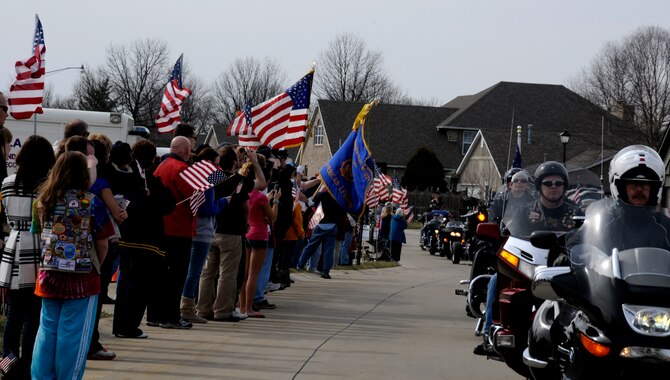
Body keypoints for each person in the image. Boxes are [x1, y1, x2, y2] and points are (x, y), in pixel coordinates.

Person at [474, 161, 582, 356]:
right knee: (496, 282)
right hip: (530, 263)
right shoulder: (524, 211)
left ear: (565, 186)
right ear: (540, 186)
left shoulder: (576, 212)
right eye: (548, 183)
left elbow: (590, 237)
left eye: (558, 184)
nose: (553, 188)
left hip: (564, 267)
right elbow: (508, 233)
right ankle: (488, 333)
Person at [30, 151, 114, 380]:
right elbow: (103, 243)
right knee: (74, 334)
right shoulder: (91, 202)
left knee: (47, 330)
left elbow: (38, 236)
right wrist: (97, 265)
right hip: (82, 278)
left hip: (48, 274)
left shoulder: (42, 202)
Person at [0, 135, 55, 378]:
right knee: (34, 316)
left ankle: (7, 366)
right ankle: (28, 366)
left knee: (13, 313)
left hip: (13, 246)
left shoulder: (7, 182)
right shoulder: (48, 186)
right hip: (39, 248)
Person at [112, 140, 175, 338]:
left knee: (125, 285)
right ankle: (129, 326)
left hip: (126, 236)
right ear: (150, 158)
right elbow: (168, 203)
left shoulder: (124, 175)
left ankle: (120, 326)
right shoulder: (145, 178)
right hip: (146, 241)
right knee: (139, 287)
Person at [565, 145, 670, 255]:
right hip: (608, 273)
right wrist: (570, 255)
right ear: (620, 187)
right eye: (633, 184)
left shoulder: (665, 227)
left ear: (654, 189)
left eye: (645, 184)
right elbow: (576, 242)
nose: (639, 189)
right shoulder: (604, 221)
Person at [196, 146, 260, 322]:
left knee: (208, 273)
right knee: (227, 273)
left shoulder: (214, 177)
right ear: (234, 163)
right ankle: (222, 310)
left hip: (212, 229)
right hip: (232, 232)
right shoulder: (238, 180)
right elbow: (261, 183)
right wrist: (253, 161)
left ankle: (203, 308)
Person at [180, 147, 229, 324]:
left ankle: (186, 305)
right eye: (216, 163)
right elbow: (205, 209)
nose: (218, 168)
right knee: (195, 271)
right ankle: (187, 307)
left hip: (194, 230)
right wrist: (223, 202)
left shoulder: (194, 178)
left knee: (192, 271)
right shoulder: (205, 183)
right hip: (201, 231)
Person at [152, 136, 196, 329]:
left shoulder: (161, 166)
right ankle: (171, 316)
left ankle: (157, 314)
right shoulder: (181, 169)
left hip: (162, 227)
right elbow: (194, 195)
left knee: (161, 275)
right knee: (177, 276)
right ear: (186, 151)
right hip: (179, 228)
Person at [240, 155, 279, 318]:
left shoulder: (244, 193)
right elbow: (272, 217)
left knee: (244, 273)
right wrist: (275, 201)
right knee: (253, 274)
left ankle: (241, 306)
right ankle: (249, 308)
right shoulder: (261, 197)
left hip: (247, 231)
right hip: (259, 233)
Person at [297, 189, 347, 279]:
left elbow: (315, 205)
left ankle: (300, 264)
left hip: (320, 224)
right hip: (333, 225)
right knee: (329, 250)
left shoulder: (321, 194)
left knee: (311, 246)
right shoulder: (339, 197)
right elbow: (342, 212)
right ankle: (325, 271)